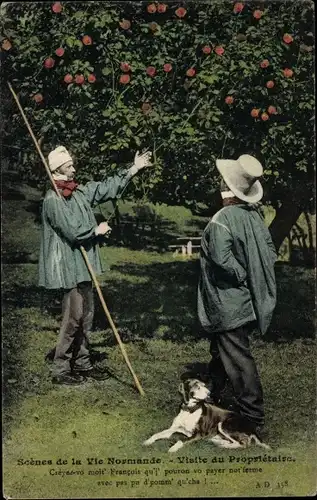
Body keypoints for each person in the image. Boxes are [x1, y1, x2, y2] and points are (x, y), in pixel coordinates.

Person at [39, 145, 152, 385]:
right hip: (67, 266)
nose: (74, 168)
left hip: (83, 263)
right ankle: (60, 369)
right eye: (69, 166)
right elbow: (71, 232)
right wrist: (96, 230)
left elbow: (104, 188)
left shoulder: (78, 191)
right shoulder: (52, 199)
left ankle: (82, 363)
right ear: (58, 169)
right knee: (73, 316)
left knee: (87, 316)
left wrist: (134, 169)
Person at [197, 154, 277, 435]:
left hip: (227, 301)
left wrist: (241, 274)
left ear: (225, 190)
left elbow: (222, 259)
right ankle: (212, 394)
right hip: (244, 301)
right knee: (222, 350)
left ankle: (252, 414)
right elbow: (270, 252)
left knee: (237, 356)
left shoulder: (221, 221)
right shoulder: (253, 216)